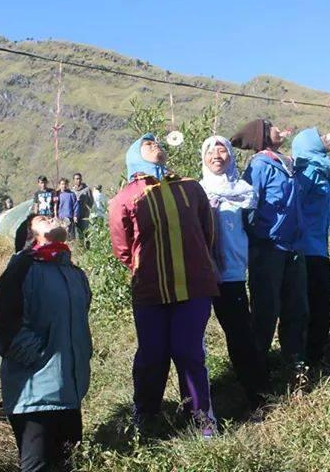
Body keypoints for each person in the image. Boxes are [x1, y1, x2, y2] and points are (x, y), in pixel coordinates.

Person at [108, 133, 219, 437]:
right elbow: (122, 247)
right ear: (135, 155)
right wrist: (146, 267)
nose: (157, 146)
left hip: (194, 285)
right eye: (148, 144)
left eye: (158, 142)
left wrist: (197, 260)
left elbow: (206, 230)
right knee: (151, 355)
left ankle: (200, 417)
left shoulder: (190, 188)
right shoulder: (126, 197)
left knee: (189, 352)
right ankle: (146, 416)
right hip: (150, 290)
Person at [0, 216, 92, 472]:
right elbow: (7, 325)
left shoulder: (74, 272)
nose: (51, 218)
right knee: (37, 466)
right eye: (42, 218)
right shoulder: (22, 267)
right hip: (35, 391)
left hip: (70, 390)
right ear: (29, 235)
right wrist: (39, 356)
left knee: (69, 465)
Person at [233, 119, 309, 371]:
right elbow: (249, 207)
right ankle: (257, 366)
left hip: (293, 247)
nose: (280, 128)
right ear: (263, 135)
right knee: (266, 308)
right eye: (273, 126)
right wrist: (260, 238)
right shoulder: (258, 167)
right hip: (268, 249)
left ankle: (294, 360)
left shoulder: (286, 163)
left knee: (296, 305)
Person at [199, 135, 268, 412]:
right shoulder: (196, 191)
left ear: (231, 155)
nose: (217, 155)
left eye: (222, 150)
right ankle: (199, 399)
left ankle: (257, 394)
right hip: (201, 275)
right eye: (211, 151)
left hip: (233, 273)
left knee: (240, 334)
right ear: (202, 158)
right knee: (194, 338)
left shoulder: (244, 190)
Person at [291, 128, 330, 364]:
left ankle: (314, 355)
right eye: (318, 137)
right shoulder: (306, 172)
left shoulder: (320, 170)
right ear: (308, 143)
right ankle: (304, 358)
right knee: (317, 302)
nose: (324, 139)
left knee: (323, 301)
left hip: (320, 248)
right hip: (307, 250)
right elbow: (294, 206)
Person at [71, 173, 94, 244]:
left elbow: (91, 201)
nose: (78, 180)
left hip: (84, 216)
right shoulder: (71, 191)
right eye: (77, 179)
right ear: (73, 180)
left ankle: (87, 249)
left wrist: (87, 210)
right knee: (76, 234)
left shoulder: (86, 190)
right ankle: (80, 249)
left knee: (86, 233)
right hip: (74, 216)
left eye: (79, 178)